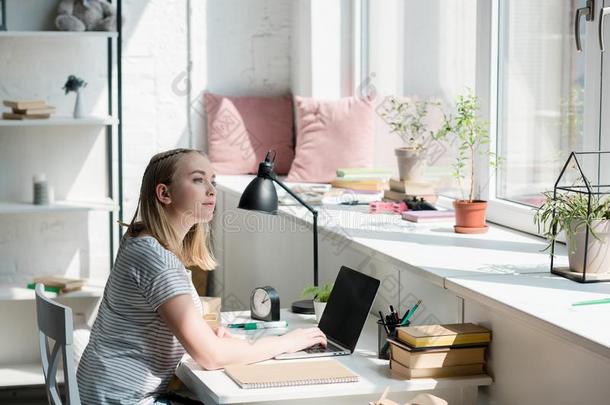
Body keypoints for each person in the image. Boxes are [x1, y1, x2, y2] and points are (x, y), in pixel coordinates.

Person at [77, 148, 327, 404]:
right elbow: (211, 357)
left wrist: (206, 332)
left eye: (213, 181)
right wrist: (287, 342)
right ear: (164, 193)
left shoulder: (141, 240)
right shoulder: (157, 260)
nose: (211, 190)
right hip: (125, 399)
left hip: (103, 391)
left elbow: (148, 319)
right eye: (198, 179)